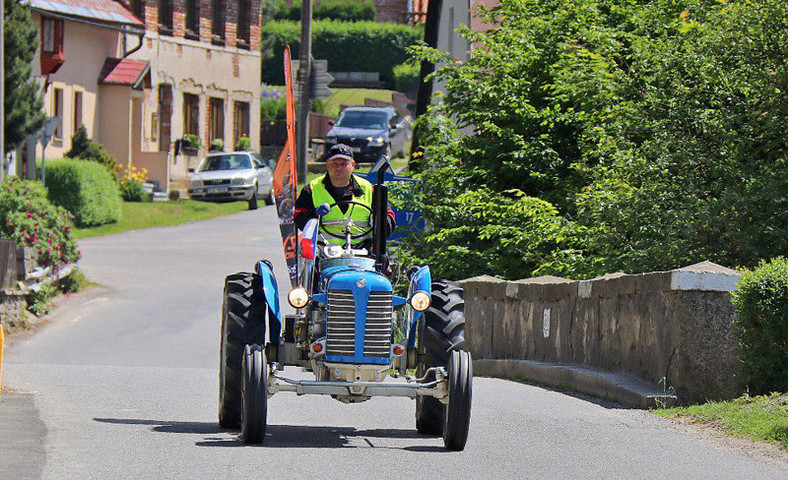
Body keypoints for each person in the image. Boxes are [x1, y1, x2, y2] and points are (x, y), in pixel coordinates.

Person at [294, 144, 395, 250]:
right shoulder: (311, 189)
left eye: (344, 164)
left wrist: (383, 224)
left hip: (363, 251)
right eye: (334, 164)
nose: (339, 168)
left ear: (353, 165)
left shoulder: (369, 189)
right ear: (327, 164)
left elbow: (388, 215)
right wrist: (314, 215)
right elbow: (299, 218)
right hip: (323, 251)